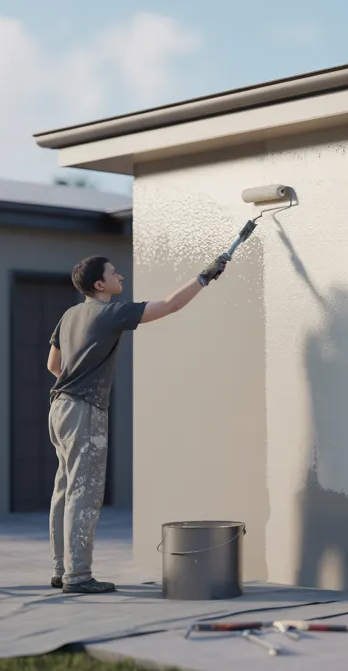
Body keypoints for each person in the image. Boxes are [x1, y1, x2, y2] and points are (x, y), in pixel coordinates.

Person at [45, 252, 230, 593]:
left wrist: (75, 380)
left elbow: (53, 364)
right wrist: (205, 276)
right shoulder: (111, 312)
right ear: (100, 284)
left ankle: (61, 570)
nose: (121, 277)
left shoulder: (70, 315)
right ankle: (78, 576)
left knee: (64, 489)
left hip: (59, 407)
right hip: (83, 409)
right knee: (84, 493)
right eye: (114, 273)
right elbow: (170, 305)